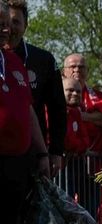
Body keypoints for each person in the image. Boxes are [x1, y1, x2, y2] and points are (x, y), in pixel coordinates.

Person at [0, 3, 49, 224]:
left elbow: (29, 111)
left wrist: (42, 151)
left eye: (7, 22)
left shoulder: (14, 62)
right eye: (0, 22)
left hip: (17, 161)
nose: (5, 28)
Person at [6, 0, 64, 174]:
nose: (9, 28)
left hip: (32, 154)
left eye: (15, 22)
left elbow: (58, 108)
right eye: (5, 22)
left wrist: (55, 151)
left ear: (26, 25)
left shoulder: (43, 60)